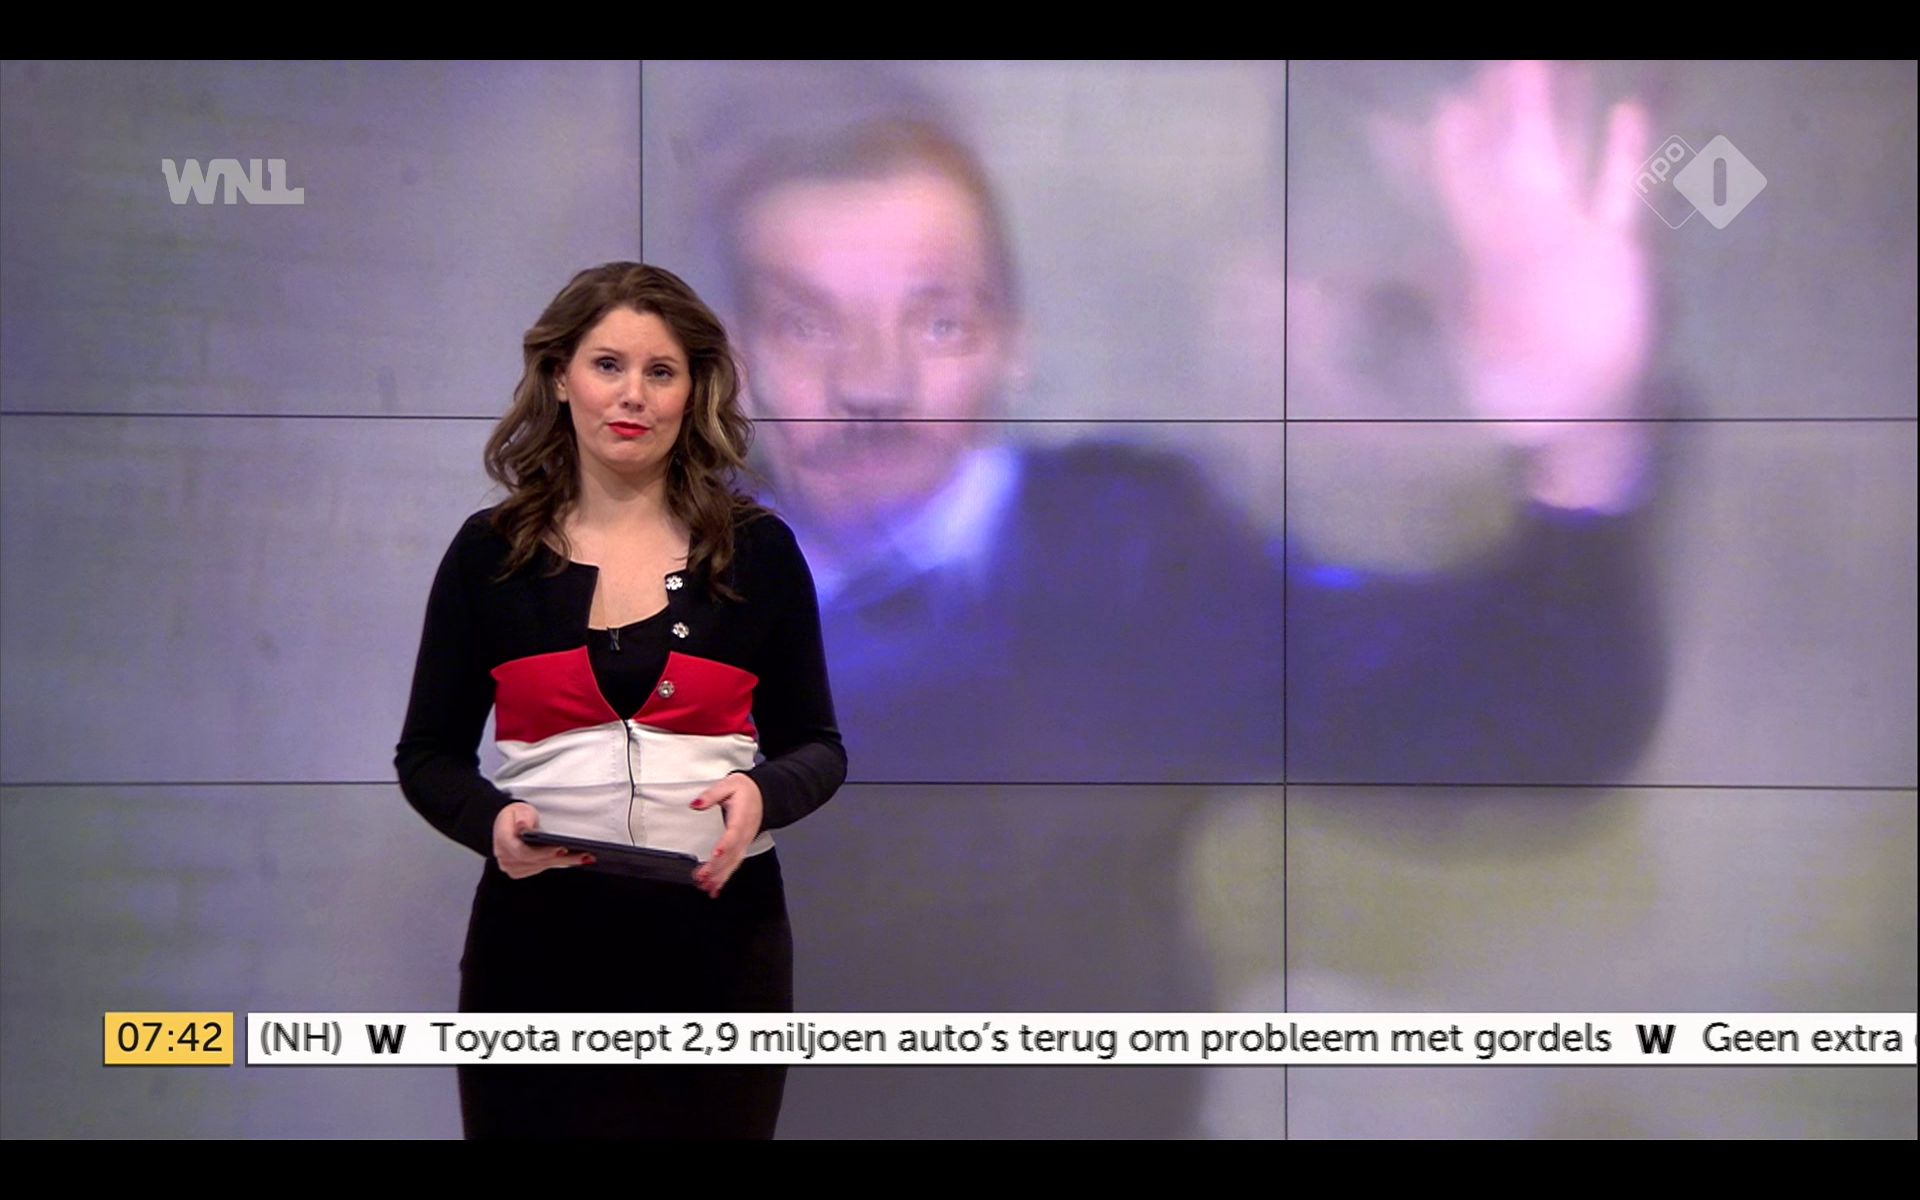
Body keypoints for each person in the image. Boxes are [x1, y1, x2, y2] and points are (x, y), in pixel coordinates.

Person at [661, 63, 1665, 1139]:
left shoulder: (1142, 564)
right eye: (809, 324)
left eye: (938, 322)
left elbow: (1517, 730)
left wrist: (1583, 438)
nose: (876, 382)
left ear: (1013, 339)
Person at [393, 262, 846, 1140]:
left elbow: (818, 746)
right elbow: (428, 756)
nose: (632, 395)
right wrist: (492, 825)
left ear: (693, 392)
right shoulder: (491, 556)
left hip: (720, 945)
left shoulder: (756, 552)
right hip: (537, 949)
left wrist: (762, 796)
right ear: (560, 377)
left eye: (660, 371)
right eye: (608, 365)